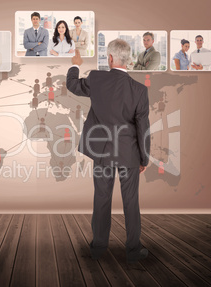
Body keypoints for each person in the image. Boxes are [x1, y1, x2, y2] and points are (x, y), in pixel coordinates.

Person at [66, 40, 150, 263]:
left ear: (111, 59)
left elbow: (72, 85)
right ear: (128, 59)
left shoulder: (96, 79)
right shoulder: (140, 91)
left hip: (102, 153)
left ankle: (99, 247)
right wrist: (144, 159)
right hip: (129, 155)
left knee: (101, 198)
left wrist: (75, 64)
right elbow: (143, 128)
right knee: (131, 202)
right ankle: (133, 251)